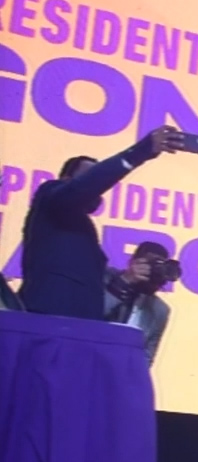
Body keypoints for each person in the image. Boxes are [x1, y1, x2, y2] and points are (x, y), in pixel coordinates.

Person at [19, 128, 184, 320]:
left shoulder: (84, 235)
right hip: (46, 320)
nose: (98, 184)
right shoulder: (49, 196)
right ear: (66, 180)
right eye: (89, 175)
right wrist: (140, 152)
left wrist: (130, 281)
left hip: (78, 327)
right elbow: (81, 189)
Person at [104, 242, 174, 365]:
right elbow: (87, 315)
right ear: (132, 262)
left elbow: (146, 359)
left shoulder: (159, 310)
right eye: (150, 265)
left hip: (120, 371)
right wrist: (125, 281)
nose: (153, 271)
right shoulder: (105, 278)